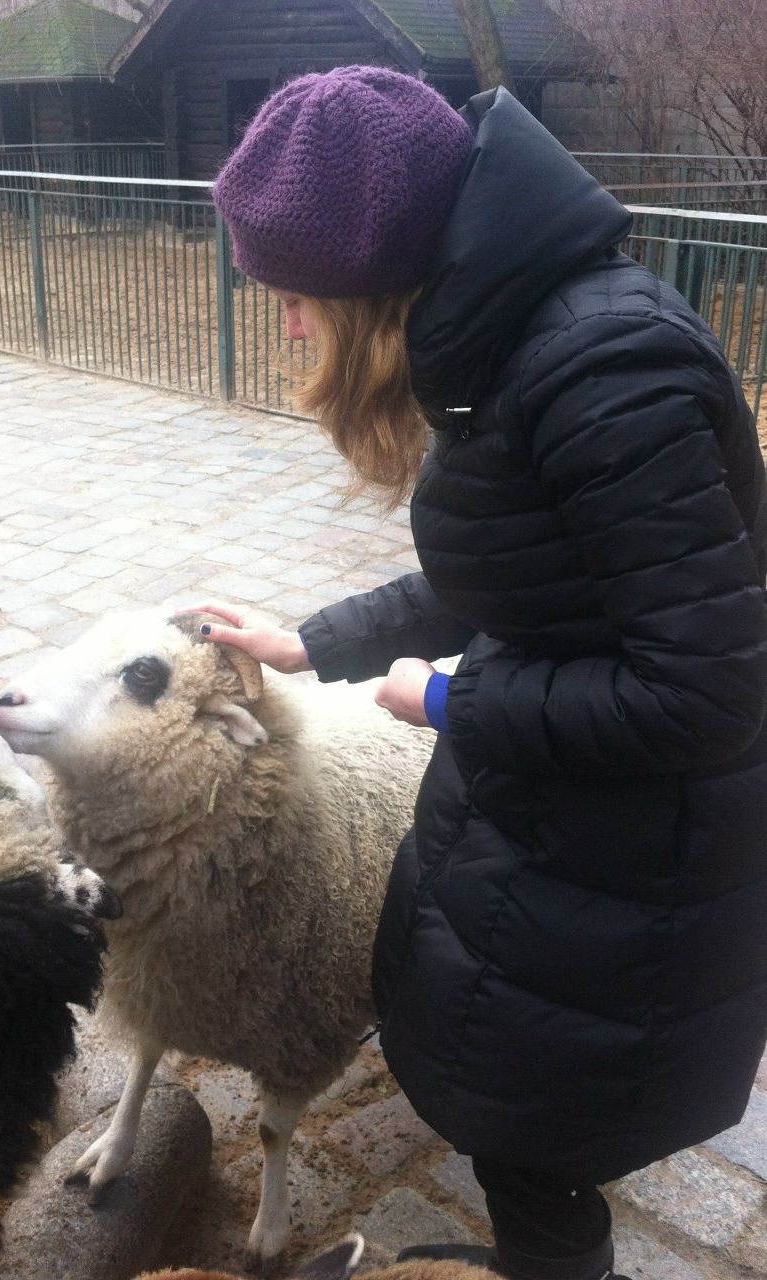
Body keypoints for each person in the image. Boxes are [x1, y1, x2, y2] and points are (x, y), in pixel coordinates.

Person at [193, 66, 767, 1280]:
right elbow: (528, 567)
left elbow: (710, 691)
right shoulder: (508, 342)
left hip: (631, 862)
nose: (289, 325)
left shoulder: (600, 367)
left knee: (541, 1135)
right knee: (520, 1119)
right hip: (563, 828)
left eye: (294, 297)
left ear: (365, 278)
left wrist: (449, 701)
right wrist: (316, 641)